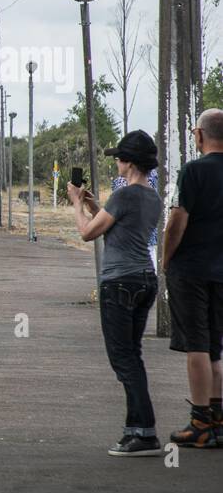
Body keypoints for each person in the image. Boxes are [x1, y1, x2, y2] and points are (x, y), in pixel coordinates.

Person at [68, 130, 163, 456]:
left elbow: (85, 233)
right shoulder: (152, 196)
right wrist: (93, 203)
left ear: (130, 162)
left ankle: (145, 432)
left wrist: (76, 205)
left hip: (119, 283)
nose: (117, 163)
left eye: (120, 158)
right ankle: (135, 429)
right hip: (144, 280)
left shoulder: (124, 195)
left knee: (123, 360)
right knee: (132, 356)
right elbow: (115, 225)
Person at [163, 108, 223, 449]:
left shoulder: (193, 171)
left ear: (198, 135)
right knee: (216, 346)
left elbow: (177, 222)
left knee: (196, 345)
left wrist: (166, 258)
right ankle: (218, 419)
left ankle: (200, 422)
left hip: (193, 270)